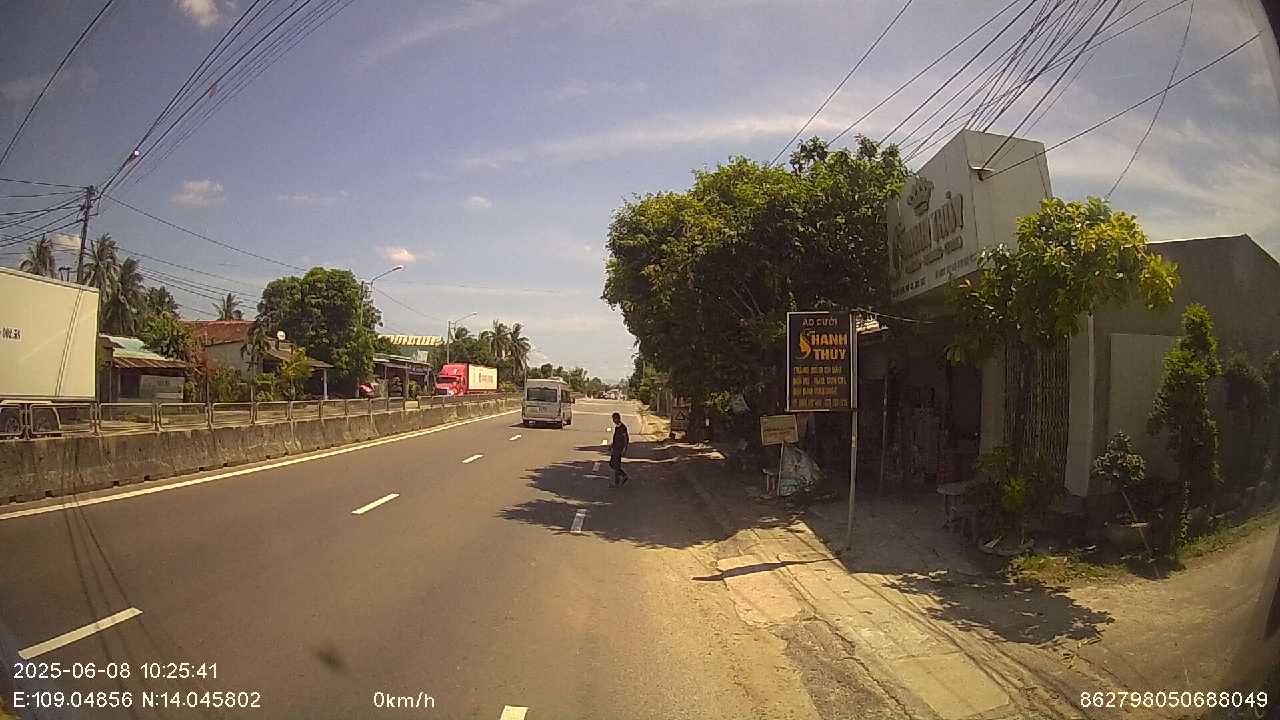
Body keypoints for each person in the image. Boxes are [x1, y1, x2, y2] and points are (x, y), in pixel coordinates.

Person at [609, 412, 630, 487]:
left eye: (614, 419)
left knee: (616, 465)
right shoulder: (617, 427)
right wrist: (612, 445)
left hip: (619, 449)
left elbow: (626, 438)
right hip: (615, 448)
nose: (613, 421)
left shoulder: (623, 427)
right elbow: (616, 438)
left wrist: (624, 448)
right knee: (612, 464)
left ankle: (617, 482)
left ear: (618, 419)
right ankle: (624, 475)